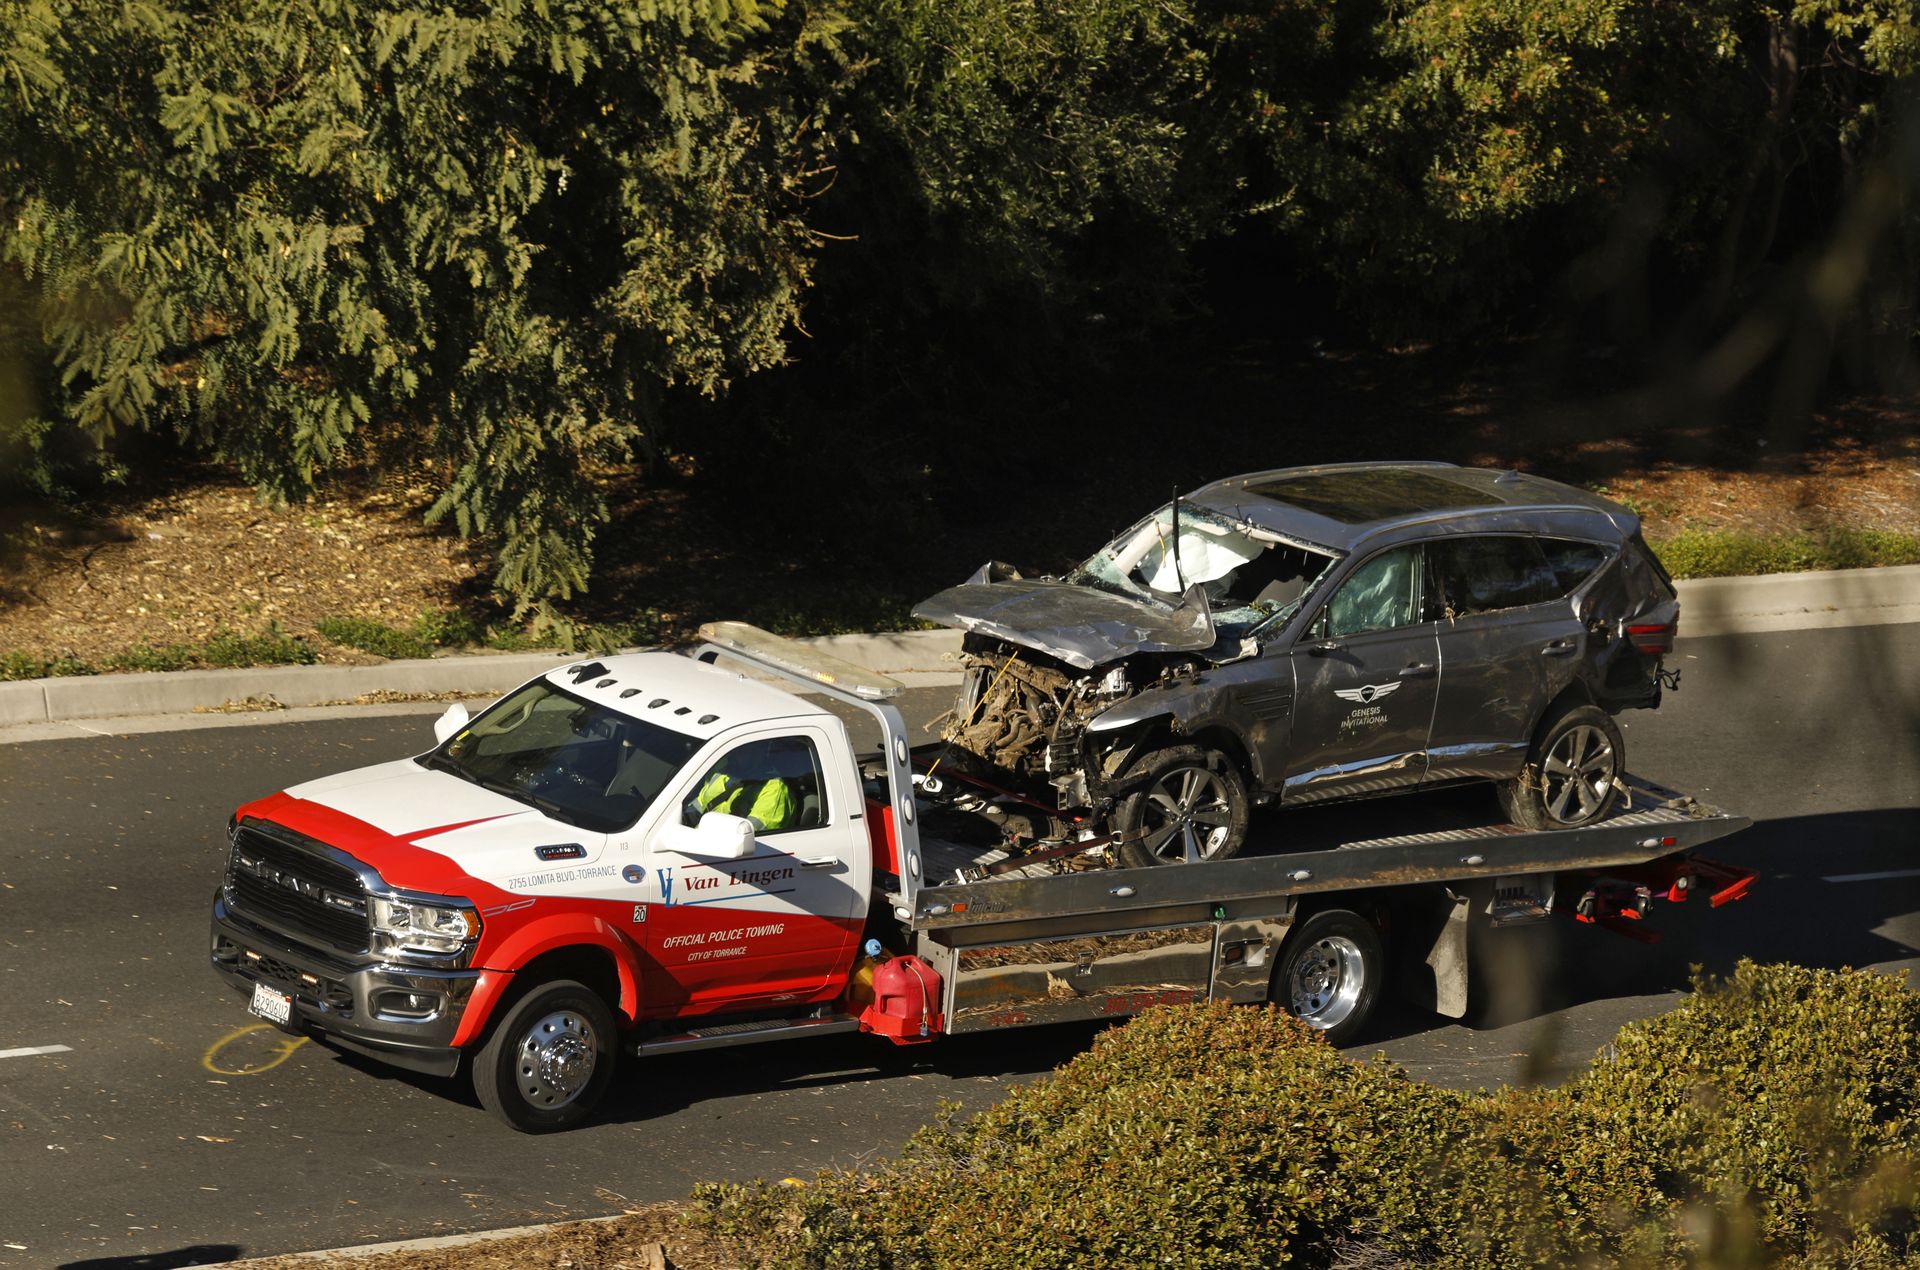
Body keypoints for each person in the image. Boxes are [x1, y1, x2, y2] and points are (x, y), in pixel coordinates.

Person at [689, 744, 797, 833]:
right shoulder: (722, 774)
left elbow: (747, 837)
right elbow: (695, 809)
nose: (733, 755)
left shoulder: (774, 790)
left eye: (742, 751)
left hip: (724, 852)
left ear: (758, 753)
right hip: (694, 840)